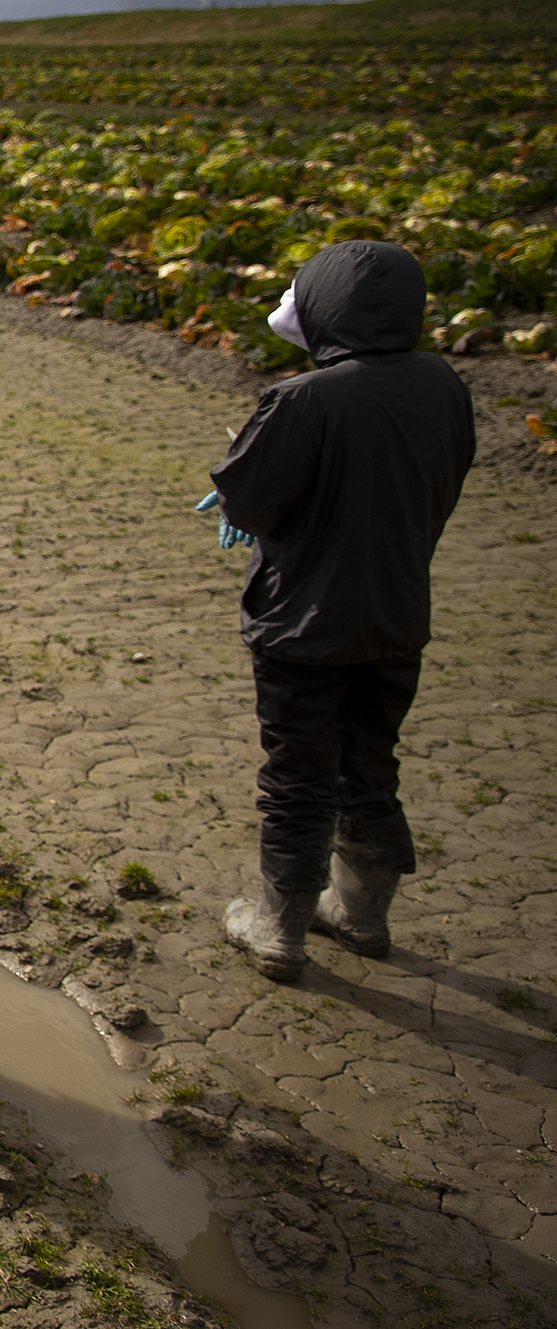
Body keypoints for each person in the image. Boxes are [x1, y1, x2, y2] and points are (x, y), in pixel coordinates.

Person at [205, 241, 474, 981]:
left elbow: (252, 498)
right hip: (394, 612)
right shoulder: (442, 385)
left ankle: (279, 927)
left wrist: (239, 467)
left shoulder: (303, 400)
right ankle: (362, 911)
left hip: (304, 623)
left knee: (297, 772)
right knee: (370, 762)